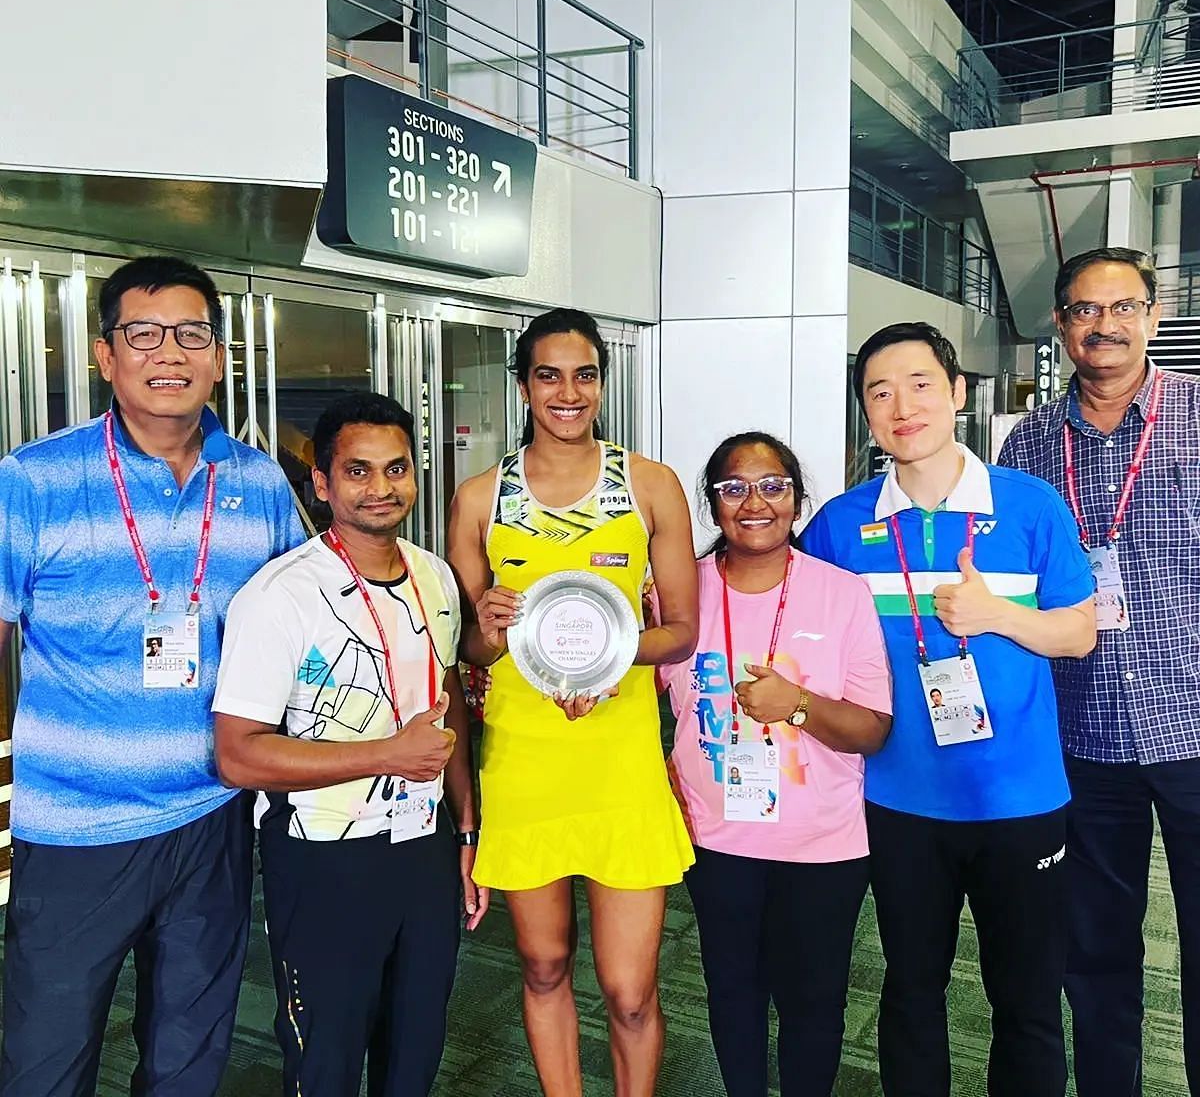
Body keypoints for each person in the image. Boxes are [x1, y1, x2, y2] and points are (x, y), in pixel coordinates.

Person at [0, 256, 306, 1096]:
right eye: (143, 333)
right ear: (106, 356)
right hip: (75, 829)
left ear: (218, 356)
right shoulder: (34, 481)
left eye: (192, 334)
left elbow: (305, 623)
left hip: (212, 814)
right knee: (45, 1057)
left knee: (188, 1054)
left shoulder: (258, 481)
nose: (168, 352)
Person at [803, 321, 1096, 1097]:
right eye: (880, 391)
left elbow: (1079, 632)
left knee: (1028, 1003)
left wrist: (998, 615)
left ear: (958, 392)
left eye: (921, 383)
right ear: (866, 411)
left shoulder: (1032, 508)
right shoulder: (840, 524)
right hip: (899, 801)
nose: (903, 405)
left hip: (1021, 800)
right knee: (910, 991)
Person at [447, 307, 697, 1097]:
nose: (568, 391)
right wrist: (486, 630)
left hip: (619, 760)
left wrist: (608, 661)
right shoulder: (480, 499)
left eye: (584, 374)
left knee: (629, 991)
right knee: (544, 963)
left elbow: (681, 633)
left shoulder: (649, 484)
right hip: (525, 759)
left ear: (600, 382)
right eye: (548, 375)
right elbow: (471, 652)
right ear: (523, 386)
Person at [212, 392, 483, 1096]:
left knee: (416, 1045)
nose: (381, 489)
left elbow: (446, 700)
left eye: (396, 469)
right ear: (323, 484)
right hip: (322, 857)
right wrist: (383, 755)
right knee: (326, 1056)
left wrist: (467, 830)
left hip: (422, 844)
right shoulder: (281, 595)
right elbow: (238, 754)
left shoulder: (434, 576)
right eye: (358, 472)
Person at [998, 246, 1200, 1096]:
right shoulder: (1030, 440)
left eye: (1123, 308)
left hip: (1192, 724)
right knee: (1096, 949)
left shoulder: (1194, 414)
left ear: (1153, 318)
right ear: (1061, 325)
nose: (1105, 326)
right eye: (1086, 310)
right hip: (1080, 734)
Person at [661, 432, 891, 1097]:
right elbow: (629, 697)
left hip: (825, 845)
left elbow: (872, 730)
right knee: (732, 995)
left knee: (814, 1005)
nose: (754, 501)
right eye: (733, 487)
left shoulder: (842, 593)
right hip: (716, 837)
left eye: (773, 485)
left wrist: (796, 707)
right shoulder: (681, 594)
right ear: (712, 504)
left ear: (796, 500)